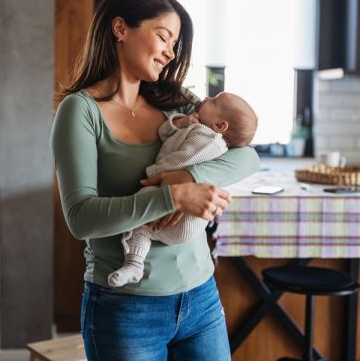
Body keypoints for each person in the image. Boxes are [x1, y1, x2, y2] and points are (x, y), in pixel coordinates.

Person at [51, 0, 260, 361]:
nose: (170, 53)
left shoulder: (175, 103)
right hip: (126, 308)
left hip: (200, 297)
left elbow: (248, 157)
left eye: (175, 44)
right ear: (120, 29)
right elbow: (80, 218)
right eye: (163, 37)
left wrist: (189, 178)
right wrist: (172, 196)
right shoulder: (80, 112)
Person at [108, 92, 258, 287]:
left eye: (212, 102)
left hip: (186, 222)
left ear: (220, 126)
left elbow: (180, 164)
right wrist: (182, 123)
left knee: (142, 211)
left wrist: (157, 174)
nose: (204, 99)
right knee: (144, 229)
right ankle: (134, 265)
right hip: (185, 229)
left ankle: (134, 263)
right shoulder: (198, 127)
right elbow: (164, 134)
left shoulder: (209, 142)